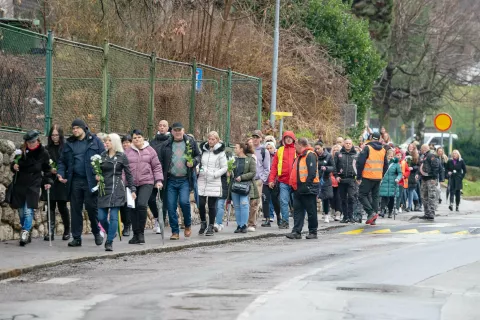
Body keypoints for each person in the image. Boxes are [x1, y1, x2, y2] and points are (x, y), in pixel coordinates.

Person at [57, 119, 106, 247]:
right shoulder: (69, 143)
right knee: (75, 209)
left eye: (77, 128)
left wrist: (100, 174)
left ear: (84, 128)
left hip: (90, 181)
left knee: (91, 208)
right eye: (73, 128)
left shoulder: (95, 141)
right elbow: (62, 161)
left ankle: (96, 232)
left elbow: (104, 158)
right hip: (75, 180)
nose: (75, 130)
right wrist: (61, 173)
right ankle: (77, 237)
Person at [9, 130, 53, 246]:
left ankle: (24, 232)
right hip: (21, 184)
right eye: (29, 142)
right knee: (21, 211)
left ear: (37, 140)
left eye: (33, 141)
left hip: (34, 184)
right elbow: (14, 163)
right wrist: (14, 166)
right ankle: (26, 232)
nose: (31, 144)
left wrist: (48, 181)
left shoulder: (43, 153)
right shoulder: (21, 151)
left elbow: (47, 169)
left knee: (28, 211)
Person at [159, 122, 201, 240]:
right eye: (175, 130)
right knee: (171, 206)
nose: (177, 132)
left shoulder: (190, 143)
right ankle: (175, 232)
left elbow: (198, 156)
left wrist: (193, 162)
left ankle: (187, 225)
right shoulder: (166, 144)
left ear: (183, 130)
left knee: (184, 202)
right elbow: (160, 162)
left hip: (185, 180)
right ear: (172, 132)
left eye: (179, 130)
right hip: (171, 180)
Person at [97, 133, 136, 251]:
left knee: (114, 216)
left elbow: (129, 174)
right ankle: (111, 232)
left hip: (117, 189)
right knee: (101, 216)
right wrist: (97, 176)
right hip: (104, 189)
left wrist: (132, 189)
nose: (106, 143)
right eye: (105, 141)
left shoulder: (122, 156)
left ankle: (109, 242)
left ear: (114, 142)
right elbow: (97, 171)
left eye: (109, 141)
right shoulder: (102, 156)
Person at [125, 129, 163, 244]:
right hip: (131, 184)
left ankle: (141, 234)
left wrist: (159, 180)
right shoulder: (127, 152)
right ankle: (135, 234)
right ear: (132, 139)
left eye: (139, 137)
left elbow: (156, 166)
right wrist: (123, 181)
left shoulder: (150, 150)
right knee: (132, 208)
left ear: (143, 138)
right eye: (135, 138)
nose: (137, 139)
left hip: (146, 182)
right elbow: (123, 169)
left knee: (141, 204)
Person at [286, 138, 319, 239]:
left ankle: (313, 232)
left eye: (295, 145)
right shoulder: (300, 156)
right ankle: (296, 231)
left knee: (311, 211)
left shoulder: (310, 155)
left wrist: (307, 185)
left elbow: (312, 172)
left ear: (300, 145)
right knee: (298, 211)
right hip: (298, 188)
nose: (294, 147)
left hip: (308, 188)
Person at [41, 125, 70, 241]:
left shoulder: (66, 148)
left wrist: (61, 171)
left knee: (62, 206)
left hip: (61, 179)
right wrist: (50, 169)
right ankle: (51, 231)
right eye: (52, 135)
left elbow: (69, 163)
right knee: (50, 205)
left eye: (57, 135)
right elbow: (43, 164)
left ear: (61, 135)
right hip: (50, 179)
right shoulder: (46, 149)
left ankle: (67, 230)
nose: (54, 137)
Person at [197, 131, 227, 236]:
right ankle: (203, 222)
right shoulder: (203, 150)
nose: (210, 141)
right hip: (202, 178)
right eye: (209, 138)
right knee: (200, 203)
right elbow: (198, 161)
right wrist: (197, 168)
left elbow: (224, 167)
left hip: (214, 179)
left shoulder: (221, 152)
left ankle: (211, 225)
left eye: (213, 139)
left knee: (211, 205)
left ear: (217, 140)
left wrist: (215, 174)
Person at [356, 132, 388, 225]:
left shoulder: (367, 148)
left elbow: (360, 163)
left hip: (367, 176)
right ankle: (373, 219)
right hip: (378, 177)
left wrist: (358, 176)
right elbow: (386, 165)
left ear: (370, 138)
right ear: (379, 139)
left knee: (361, 195)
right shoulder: (383, 150)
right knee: (375, 197)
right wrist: (381, 175)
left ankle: (371, 213)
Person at [268, 131, 297, 229]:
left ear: (293, 139)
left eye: (290, 137)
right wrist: (271, 180)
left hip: (295, 182)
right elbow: (274, 167)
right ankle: (285, 222)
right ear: (283, 139)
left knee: (296, 203)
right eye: (286, 137)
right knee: (283, 201)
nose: (288, 139)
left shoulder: (297, 150)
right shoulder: (280, 150)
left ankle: (298, 221)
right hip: (283, 181)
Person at [149, 120, 171, 234]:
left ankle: (161, 222)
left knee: (163, 199)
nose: (162, 127)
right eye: (160, 125)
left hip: (166, 174)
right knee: (150, 198)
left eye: (164, 126)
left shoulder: (170, 142)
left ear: (168, 128)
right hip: (152, 174)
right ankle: (158, 217)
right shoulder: (152, 142)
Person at [229, 142, 257, 233]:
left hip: (245, 186)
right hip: (235, 186)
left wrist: (242, 177)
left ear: (241, 149)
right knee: (237, 206)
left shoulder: (250, 159)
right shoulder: (234, 160)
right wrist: (229, 172)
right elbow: (231, 172)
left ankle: (244, 225)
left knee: (244, 204)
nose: (234, 149)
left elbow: (253, 173)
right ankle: (239, 225)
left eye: (236, 147)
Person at [250, 130, 271, 230]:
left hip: (258, 180)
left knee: (255, 202)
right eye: (253, 137)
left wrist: (262, 179)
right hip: (248, 179)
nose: (255, 139)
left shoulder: (264, 151)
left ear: (260, 139)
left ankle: (252, 223)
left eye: (257, 137)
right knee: (246, 202)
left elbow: (267, 168)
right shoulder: (248, 149)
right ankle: (246, 222)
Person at [334, 139, 357, 223]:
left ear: (352, 144)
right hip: (342, 179)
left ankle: (351, 216)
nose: (348, 145)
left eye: (349, 143)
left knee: (351, 197)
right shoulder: (338, 154)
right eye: (346, 143)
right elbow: (334, 166)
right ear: (344, 144)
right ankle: (345, 217)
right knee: (343, 199)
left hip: (352, 179)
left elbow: (359, 167)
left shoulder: (356, 155)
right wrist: (336, 176)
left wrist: (358, 178)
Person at [418, 144, 440, 220]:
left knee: (431, 196)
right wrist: (419, 174)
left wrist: (434, 178)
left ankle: (431, 213)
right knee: (424, 197)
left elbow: (436, 167)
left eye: (421, 149)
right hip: (424, 179)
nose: (420, 150)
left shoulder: (431, 156)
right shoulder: (423, 157)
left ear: (424, 149)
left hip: (431, 179)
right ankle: (426, 213)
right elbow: (421, 167)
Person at [379, 149, 402, 219]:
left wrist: (398, 178)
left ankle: (390, 211)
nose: (390, 157)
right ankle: (382, 210)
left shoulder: (396, 164)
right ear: (386, 156)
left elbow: (400, 173)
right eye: (389, 156)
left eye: (391, 156)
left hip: (393, 183)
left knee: (391, 198)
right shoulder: (383, 163)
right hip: (384, 182)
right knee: (384, 197)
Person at [315, 142, 334, 223]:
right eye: (316, 148)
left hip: (325, 179)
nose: (317, 150)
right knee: (313, 197)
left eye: (318, 148)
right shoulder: (313, 155)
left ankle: (326, 215)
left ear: (322, 147)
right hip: (315, 179)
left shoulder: (329, 156)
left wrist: (326, 168)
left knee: (326, 198)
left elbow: (333, 167)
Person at [120, 134, 133, 236]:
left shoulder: (134, 153)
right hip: (121, 183)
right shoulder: (119, 154)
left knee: (129, 205)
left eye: (128, 142)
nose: (126, 145)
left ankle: (128, 225)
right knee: (123, 206)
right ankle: (126, 225)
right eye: (124, 143)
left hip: (132, 183)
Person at [265, 141, 281, 224]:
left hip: (275, 180)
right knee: (266, 199)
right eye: (267, 148)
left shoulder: (277, 155)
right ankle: (269, 216)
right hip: (265, 180)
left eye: (270, 148)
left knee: (274, 199)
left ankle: (277, 215)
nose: (268, 150)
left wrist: (274, 179)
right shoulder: (264, 156)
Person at [330, 144, 342, 221]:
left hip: (339, 180)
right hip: (330, 180)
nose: (336, 151)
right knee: (331, 197)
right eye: (334, 150)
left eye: (337, 150)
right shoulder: (329, 158)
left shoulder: (341, 159)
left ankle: (338, 212)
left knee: (338, 197)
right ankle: (333, 210)